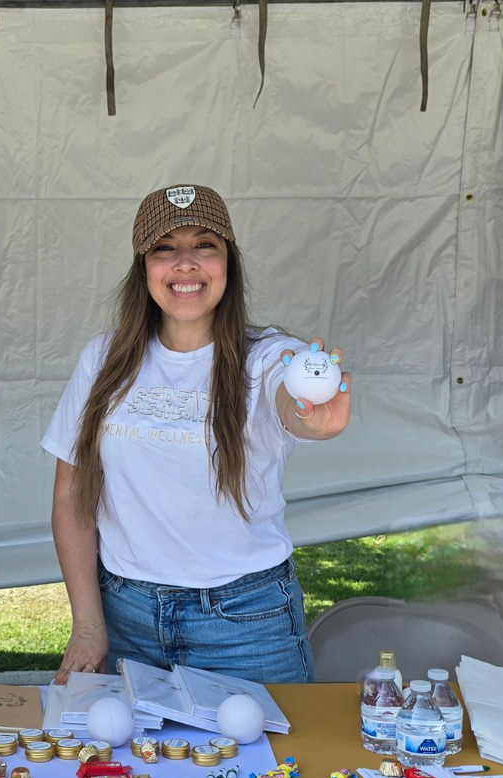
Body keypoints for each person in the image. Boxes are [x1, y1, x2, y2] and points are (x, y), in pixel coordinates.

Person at [43, 184, 353, 686]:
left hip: (246, 622)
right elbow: (72, 492)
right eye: (165, 248)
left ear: (229, 261)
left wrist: (313, 420)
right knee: (132, 765)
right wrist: (88, 623)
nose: (185, 263)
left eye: (204, 244)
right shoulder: (103, 361)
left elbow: (292, 401)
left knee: (269, 765)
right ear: (143, 267)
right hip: (128, 617)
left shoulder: (270, 357)